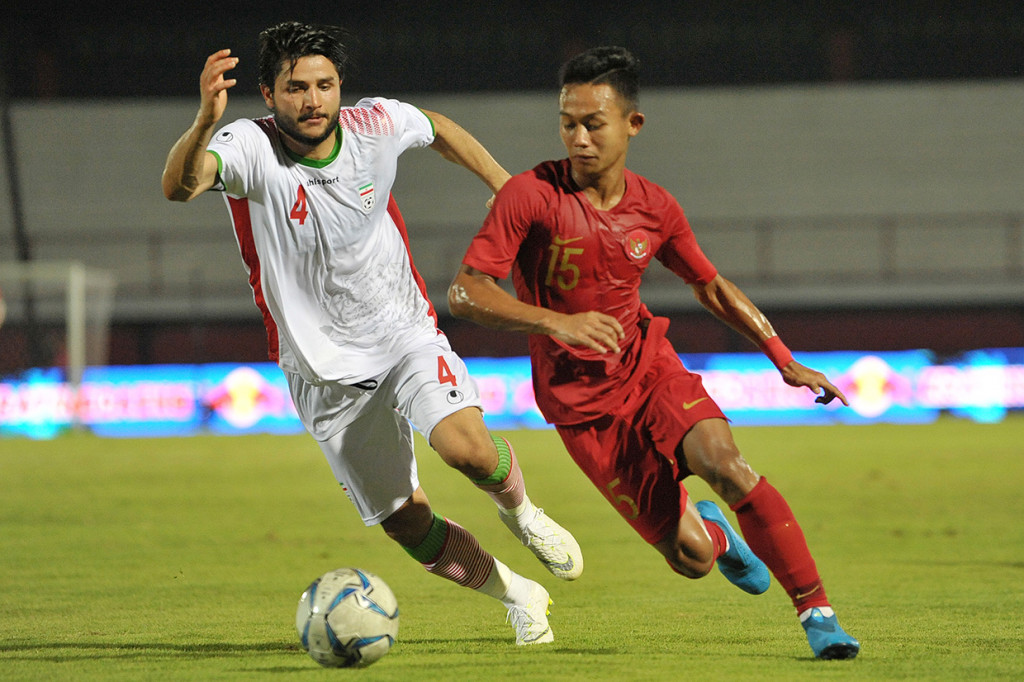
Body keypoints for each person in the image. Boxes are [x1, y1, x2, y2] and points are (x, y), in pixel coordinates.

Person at [161, 21, 583, 646]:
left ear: (340, 89)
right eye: (296, 87)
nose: (313, 100)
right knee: (406, 521)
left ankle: (522, 513)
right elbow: (180, 186)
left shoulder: (372, 125)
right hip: (320, 369)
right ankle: (517, 593)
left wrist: (504, 186)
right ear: (269, 95)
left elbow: (437, 127)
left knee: (466, 448)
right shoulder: (247, 145)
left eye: (325, 85)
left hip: (401, 330)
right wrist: (202, 121)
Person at [449, 46, 859, 659]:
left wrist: (784, 358)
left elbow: (710, 285)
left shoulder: (656, 207)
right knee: (690, 560)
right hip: (582, 408)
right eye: (568, 123)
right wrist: (556, 322)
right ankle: (716, 540)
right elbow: (465, 291)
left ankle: (817, 614)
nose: (579, 137)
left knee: (725, 463)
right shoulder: (531, 195)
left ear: (632, 124)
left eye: (594, 123)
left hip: (649, 370)